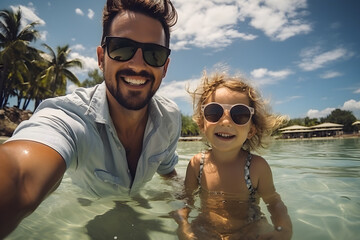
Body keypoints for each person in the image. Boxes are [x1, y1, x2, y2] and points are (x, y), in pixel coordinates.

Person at [0, 0, 180, 238]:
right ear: (101, 57)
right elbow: (20, 175)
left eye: (154, 54)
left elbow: (169, 172)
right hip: (88, 210)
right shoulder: (68, 117)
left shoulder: (170, 119)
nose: (137, 64)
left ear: (165, 68)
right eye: (121, 47)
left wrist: (182, 214)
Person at [172, 72, 292, 240]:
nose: (226, 121)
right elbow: (186, 200)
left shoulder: (256, 168)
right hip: (206, 228)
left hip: (248, 229)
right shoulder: (196, 164)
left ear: (250, 130)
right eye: (214, 112)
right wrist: (183, 225)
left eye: (240, 115)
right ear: (202, 124)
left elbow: (273, 202)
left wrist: (284, 229)